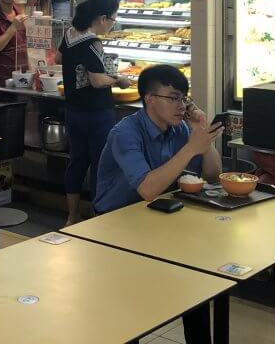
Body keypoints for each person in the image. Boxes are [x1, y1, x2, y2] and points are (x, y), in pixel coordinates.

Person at [92, 64, 223, 344]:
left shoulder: (178, 130)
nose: (181, 105)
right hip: (114, 226)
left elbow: (212, 175)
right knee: (128, 307)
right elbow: (148, 189)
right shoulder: (125, 133)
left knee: (195, 285)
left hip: (158, 220)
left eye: (184, 99)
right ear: (149, 99)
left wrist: (202, 135)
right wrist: (191, 147)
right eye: (173, 98)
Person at [54, 0, 131, 225]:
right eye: (113, 20)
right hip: (96, 113)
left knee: (77, 160)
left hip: (73, 110)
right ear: (102, 18)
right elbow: (97, 81)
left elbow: (58, 58)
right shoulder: (93, 42)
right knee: (101, 162)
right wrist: (118, 80)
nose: (112, 25)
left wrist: (77, 67)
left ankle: (72, 215)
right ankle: (97, 217)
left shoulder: (70, 34)